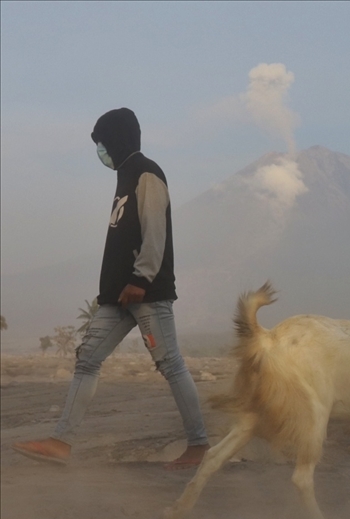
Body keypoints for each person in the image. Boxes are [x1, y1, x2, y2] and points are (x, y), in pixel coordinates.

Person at [13, 108, 210, 470]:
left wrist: (141, 278)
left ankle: (199, 446)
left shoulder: (146, 173)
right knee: (87, 359)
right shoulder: (124, 177)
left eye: (103, 143)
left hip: (143, 291)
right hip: (117, 296)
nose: (101, 151)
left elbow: (155, 230)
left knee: (171, 364)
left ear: (117, 140)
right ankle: (60, 442)